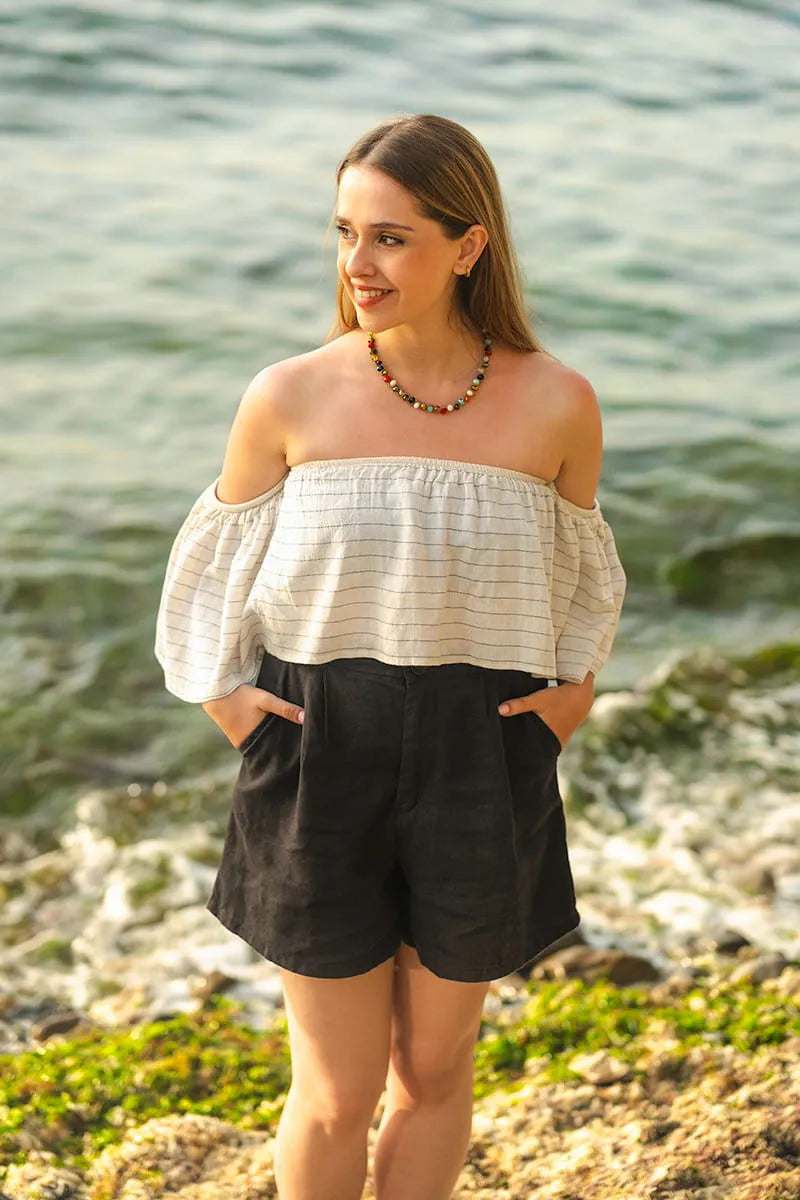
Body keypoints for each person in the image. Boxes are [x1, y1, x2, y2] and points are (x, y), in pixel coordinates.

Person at [155, 113, 626, 1200]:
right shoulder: (287, 395)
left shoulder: (557, 401)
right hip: (320, 754)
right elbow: (206, 577)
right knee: (335, 1084)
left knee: (433, 1069)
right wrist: (226, 703)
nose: (356, 265)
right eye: (345, 233)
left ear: (468, 246)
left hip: (482, 758)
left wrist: (564, 703)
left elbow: (580, 587)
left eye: (391, 238)